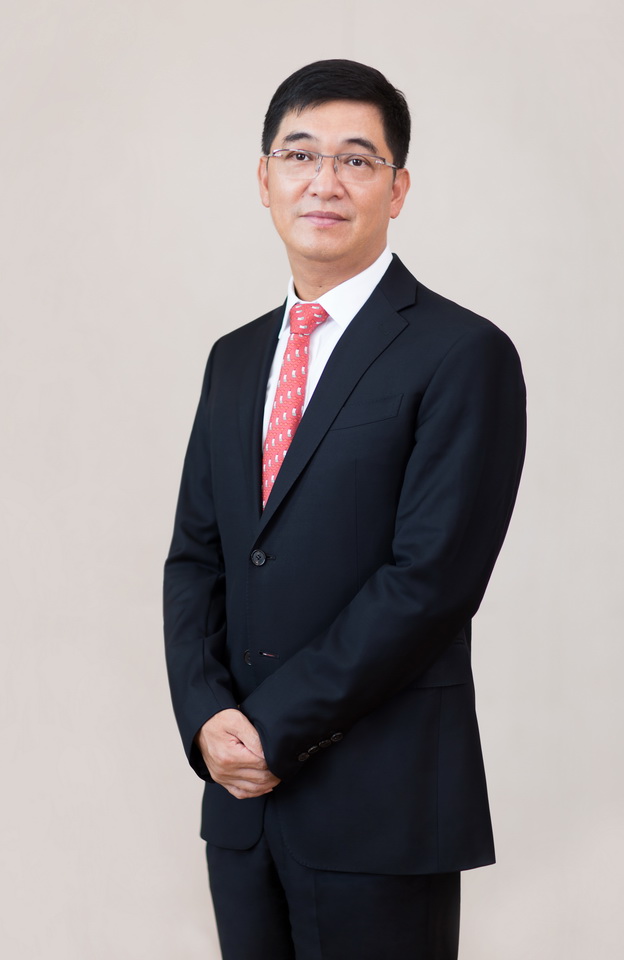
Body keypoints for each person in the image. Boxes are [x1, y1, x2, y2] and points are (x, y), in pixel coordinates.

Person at [163, 59, 526, 960]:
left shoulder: (462, 352)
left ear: (396, 189)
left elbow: (430, 583)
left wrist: (273, 729)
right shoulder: (234, 359)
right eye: (300, 155)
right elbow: (198, 559)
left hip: (381, 809)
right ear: (265, 179)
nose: (324, 181)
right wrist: (207, 717)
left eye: (357, 160)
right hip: (241, 807)